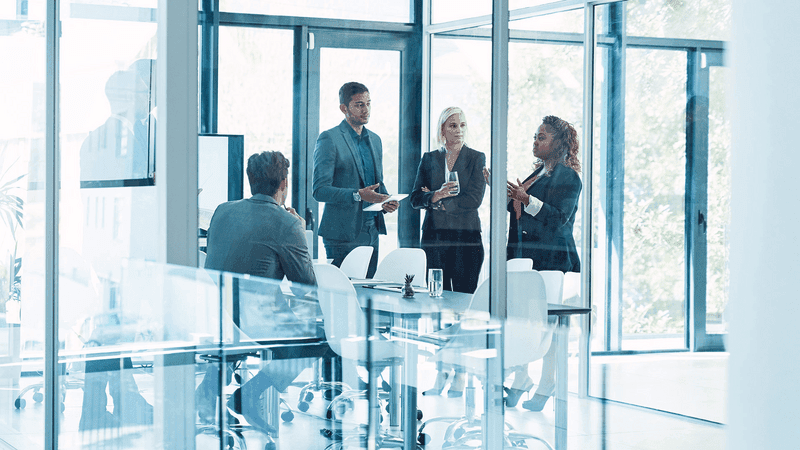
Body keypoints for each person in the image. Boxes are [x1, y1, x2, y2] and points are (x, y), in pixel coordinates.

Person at [197, 151, 322, 434]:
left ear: (250, 180)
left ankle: (205, 394)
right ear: (283, 184)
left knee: (232, 333)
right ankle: (250, 395)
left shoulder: (222, 210)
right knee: (318, 339)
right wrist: (300, 232)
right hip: (255, 321)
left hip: (216, 315)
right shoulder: (287, 223)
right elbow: (306, 288)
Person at [501, 115, 582, 411]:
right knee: (523, 322)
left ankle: (548, 381)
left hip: (552, 261)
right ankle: (521, 377)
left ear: (558, 144)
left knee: (548, 326)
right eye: (535, 136)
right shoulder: (537, 173)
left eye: (542, 137)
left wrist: (525, 199)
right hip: (528, 258)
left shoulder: (568, 177)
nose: (535, 141)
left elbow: (559, 218)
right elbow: (521, 213)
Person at [410, 107, 486, 398]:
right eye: (452, 125)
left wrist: (441, 203)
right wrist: (434, 196)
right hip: (435, 240)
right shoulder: (429, 159)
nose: (458, 129)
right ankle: (442, 370)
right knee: (439, 307)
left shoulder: (476, 157)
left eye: (462, 125)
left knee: (463, 308)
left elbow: (474, 198)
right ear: (442, 129)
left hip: (467, 241)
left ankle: (460, 374)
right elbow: (416, 197)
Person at [312, 81, 399, 279]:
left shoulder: (375, 140)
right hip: (341, 235)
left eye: (368, 103)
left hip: (371, 232)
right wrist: (358, 195)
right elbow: (319, 190)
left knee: (368, 294)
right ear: (344, 108)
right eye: (359, 104)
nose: (366, 109)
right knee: (345, 296)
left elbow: (378, 183)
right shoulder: (329, 139)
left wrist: (385, 201)